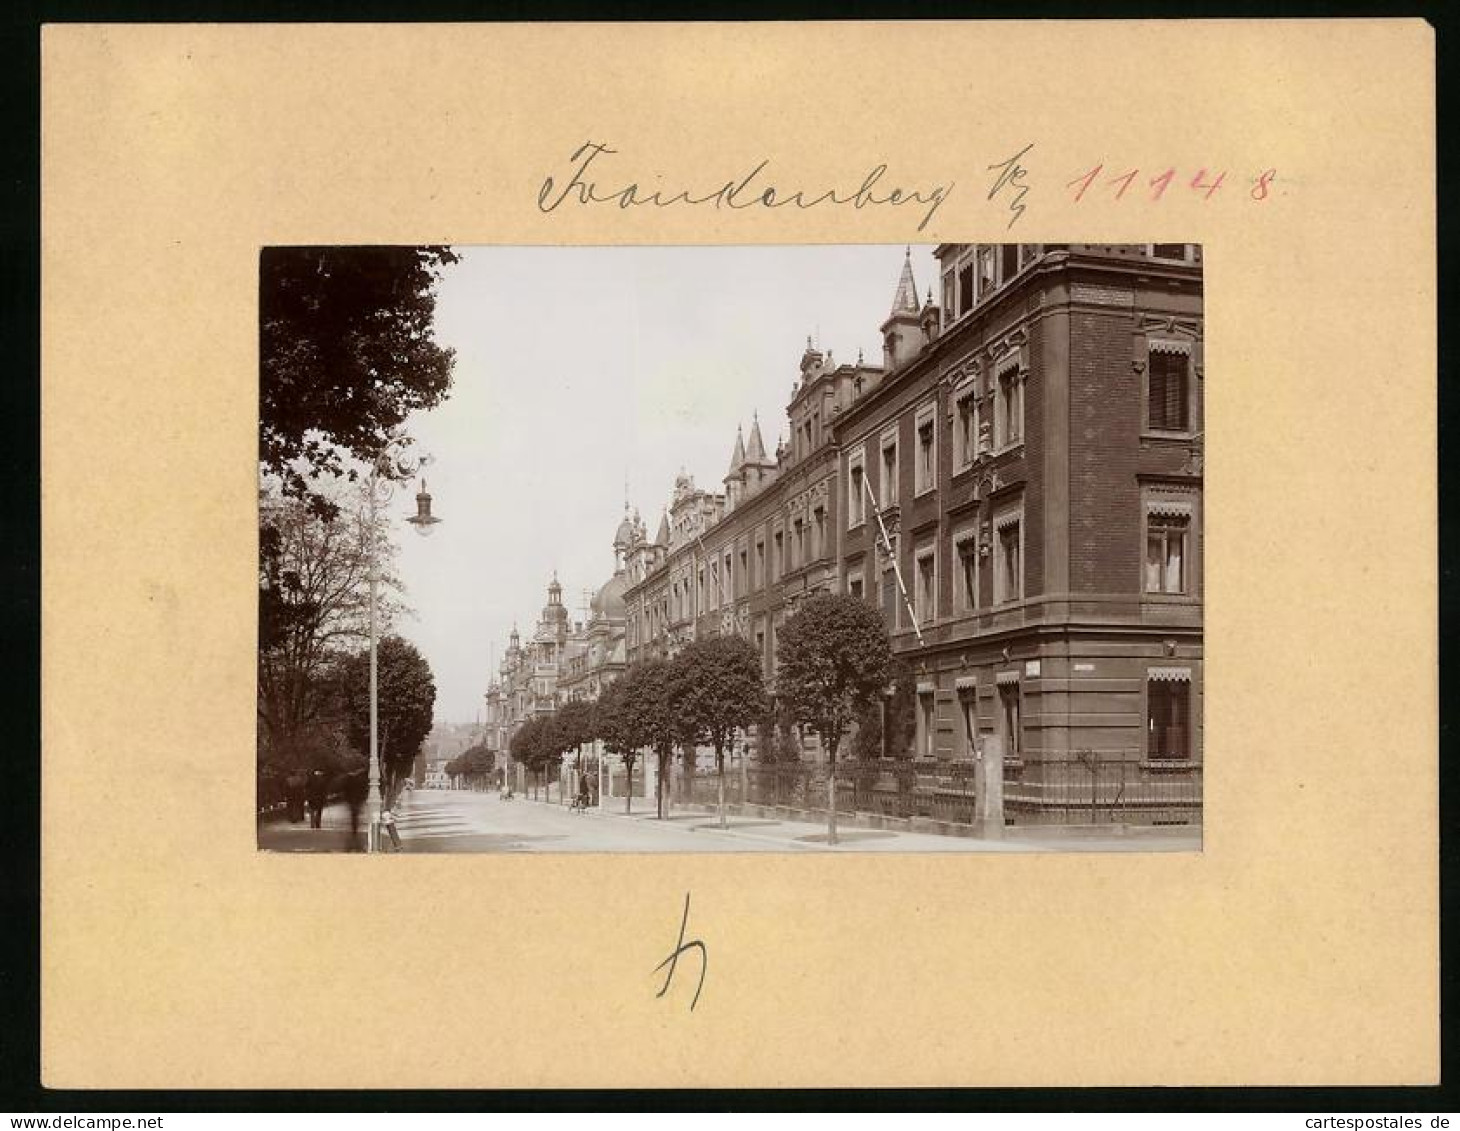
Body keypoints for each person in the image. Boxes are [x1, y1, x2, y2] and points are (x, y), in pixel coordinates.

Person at [342, 767, 368, 850]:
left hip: (352, 802)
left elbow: (345, 791)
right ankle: (355, 841)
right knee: (355, 821)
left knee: (354, 820)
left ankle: (352, 841)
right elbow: (364, 791)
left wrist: (348, 800)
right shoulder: (361, 780)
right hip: (356, 802)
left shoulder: (350, 780)